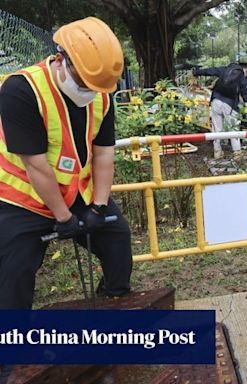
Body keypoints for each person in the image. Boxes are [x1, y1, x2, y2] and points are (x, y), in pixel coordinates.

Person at [0, 17, 133, 310]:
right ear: (60, 59)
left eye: (96, 87)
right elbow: (35, 166)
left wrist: (98, 206)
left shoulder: (102, 95)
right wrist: (63, 218)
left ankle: (113, 306)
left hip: (76, 193)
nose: (90, 92)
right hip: (23, 198)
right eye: (84, 84)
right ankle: (13, 346)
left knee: (117, 241)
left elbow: (103, 154)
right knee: (14, 273)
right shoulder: (20, 91)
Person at [193, 63, 247, 159]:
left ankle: (217, 152)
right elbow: (244, 93)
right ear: (244, 70)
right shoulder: (241, 76)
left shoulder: (225, 69)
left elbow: (210, 71)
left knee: (216, 127)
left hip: (216, 100)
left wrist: (197, 72)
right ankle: (237, 153)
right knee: (233, 128)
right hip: (229, 105)